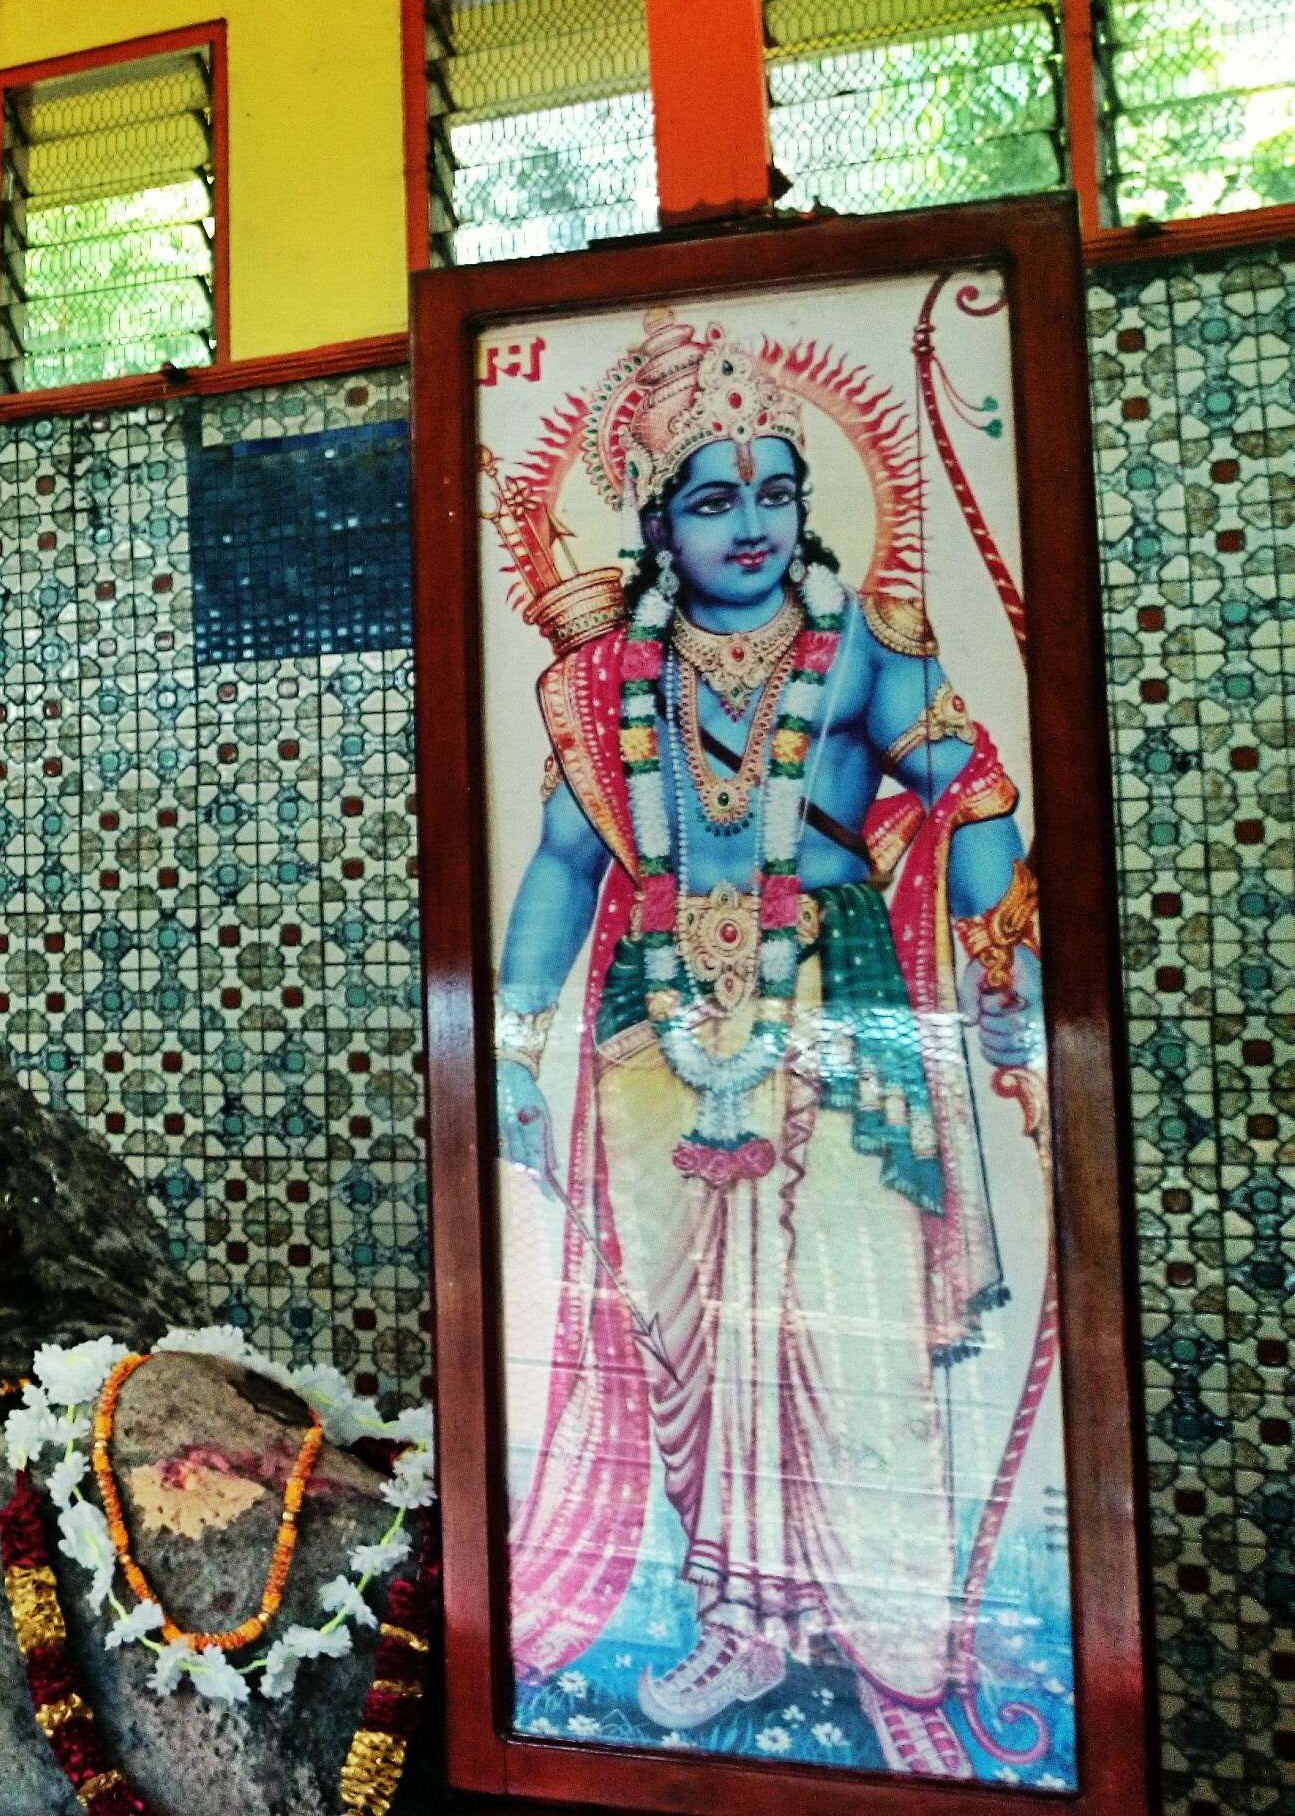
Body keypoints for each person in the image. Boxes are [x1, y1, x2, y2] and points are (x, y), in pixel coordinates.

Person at [492, 318, 1043, 1777]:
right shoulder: (605, 684)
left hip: (838, 1009)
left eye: (777, 493)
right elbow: (562, 869)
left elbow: (972, 799)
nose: (752, 525)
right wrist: (510, 1050)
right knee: (692, 1342)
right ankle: (737, 1617)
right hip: (653, 1029)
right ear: (657, 526)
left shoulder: (864, 648)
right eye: (713, 499)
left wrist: (1009, 965)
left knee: (854, 1325)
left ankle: (891, 1632)